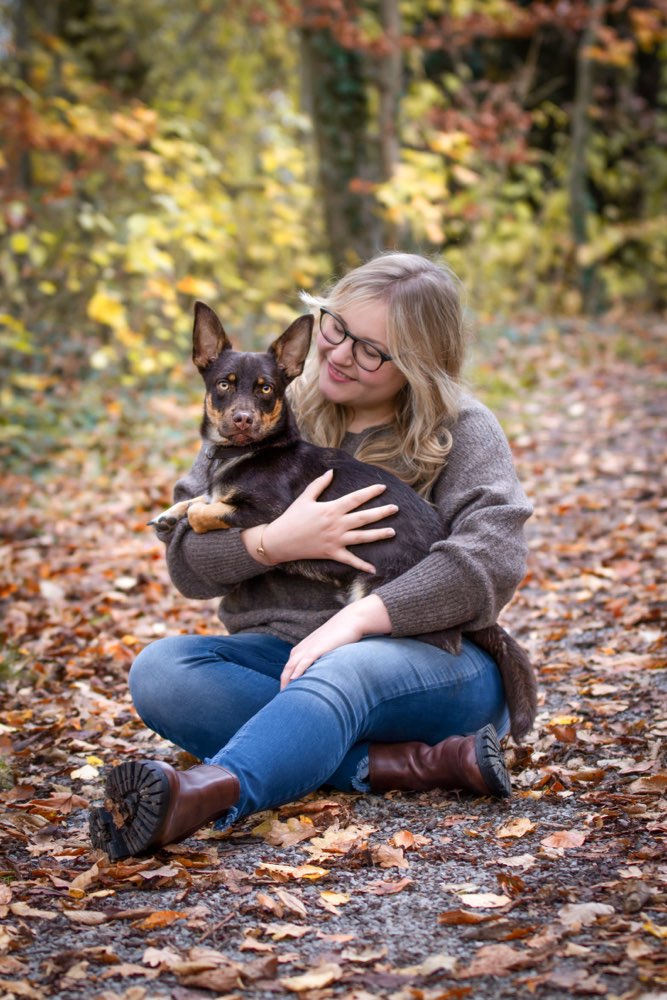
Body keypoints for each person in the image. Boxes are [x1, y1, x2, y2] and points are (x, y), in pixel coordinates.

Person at [89, 252, 533, 860]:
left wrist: (356, 620)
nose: (342, 354)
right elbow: (185, 562)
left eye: (372, 349)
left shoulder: (462, 429)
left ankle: (206, 793)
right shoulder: (259, 411)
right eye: (335, 327)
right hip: (284, 656)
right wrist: (275, 542)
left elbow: (491, 560)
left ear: (420, 362)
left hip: (437, 662)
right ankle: (395, 766)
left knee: (339, 669)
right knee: (161, 671)